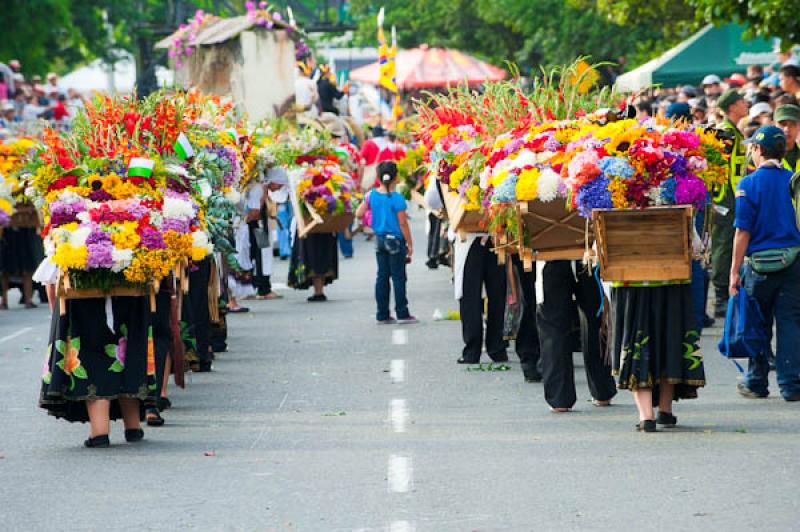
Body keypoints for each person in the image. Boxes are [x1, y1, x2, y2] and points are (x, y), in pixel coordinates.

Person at [730, 125, 800, 401]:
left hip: (759, 266)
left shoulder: (747, 184)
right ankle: (791, 383)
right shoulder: (794, 180)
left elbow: (742, 232)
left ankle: (757, 382)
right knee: (790, 322)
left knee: (757, 323)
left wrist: (734, 271)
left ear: (758, 150)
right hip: (793, 263)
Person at [537, 261, 617, 412]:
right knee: (594, 320)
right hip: (586, 255)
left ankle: (559, 398)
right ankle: (602, 390)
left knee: (554, 325)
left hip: (554, 253)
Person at [356, 161, 416, 324]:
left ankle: (382, 314)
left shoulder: (371, 196)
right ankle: (402, 313)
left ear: (378, 177)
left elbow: (358, 213)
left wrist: (371, 217)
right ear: (396, 178)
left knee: (382, 277)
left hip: (380, 240)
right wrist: (410, 244)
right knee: (398, 277)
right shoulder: (398, 199)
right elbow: (403, 224)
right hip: (396, 242)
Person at [710, 89, 749, 318]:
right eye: (742, 101)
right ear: (733, 107)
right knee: (724, 245)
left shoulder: (734, 131)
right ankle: (720, 297)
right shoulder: (726, 132)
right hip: (725, 196)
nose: (746, 104)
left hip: (734, 194)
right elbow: (718, 166)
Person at [775, 104, 800, 172]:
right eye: (783, 124)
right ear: (774, 125)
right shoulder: (763, 154)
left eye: (792, 124)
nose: (787, 129)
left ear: (799, 127)